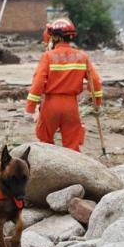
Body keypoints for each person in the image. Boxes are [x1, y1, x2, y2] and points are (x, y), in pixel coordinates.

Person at [25, 18, 103, 152]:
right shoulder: (82, 56)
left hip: (51, 105)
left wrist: (30, 108)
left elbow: (38, 83)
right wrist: (97, 103)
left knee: (46, 143)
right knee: (72, 145)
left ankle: (49, 168)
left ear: (56, 37)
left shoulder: (48, 56)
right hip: (71, 107)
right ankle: (73, 171)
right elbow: (94, 81)